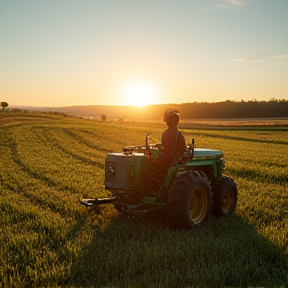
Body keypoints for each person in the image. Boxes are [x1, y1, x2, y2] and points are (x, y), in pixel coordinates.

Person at [154, 108, 187, 184]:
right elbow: (182, 151)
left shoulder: (165, 134)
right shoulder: (178, 135)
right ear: (176, 121)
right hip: (174, 162)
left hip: (166, 161)